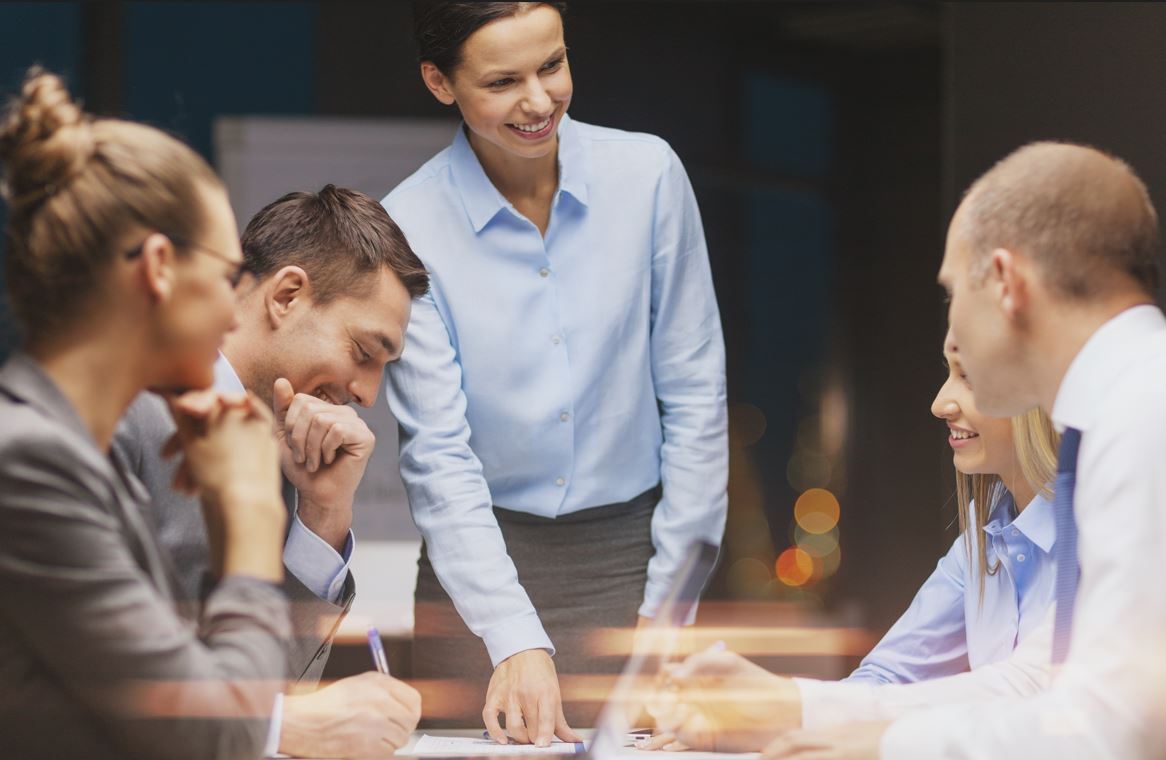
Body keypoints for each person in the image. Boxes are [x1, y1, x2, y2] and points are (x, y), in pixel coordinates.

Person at [664, 142, 1166, 759]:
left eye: (955, 292)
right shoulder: (1128, 406)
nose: (953, 335)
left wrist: (872, 739)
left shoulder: (1143, 412)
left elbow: (1112, 723)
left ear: (1006, 282)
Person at [383, 0, 728, 744]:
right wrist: (510, 634)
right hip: (476, 576)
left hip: (635, 561)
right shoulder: (407, 225)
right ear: (440, 83)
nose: (539, 101)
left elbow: (697, 399)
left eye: (553, 65)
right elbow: (438, 453)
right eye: (503, 81)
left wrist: (666, 618)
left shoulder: (648, 177)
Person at [0, 68, 288, 759]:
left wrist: (227, 520)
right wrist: (252, 511)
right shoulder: (27, 464)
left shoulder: (81, 460)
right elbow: (212, 737)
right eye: (227, 277)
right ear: (158, 266)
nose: (231, 309)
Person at [114, 185, 428, 758]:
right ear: (285, 296)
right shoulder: (118, 408)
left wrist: (324, 514)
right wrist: (280, 725)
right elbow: (72, 671)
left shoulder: (284, 450)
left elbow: (277, 693)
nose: (367, 393)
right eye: (363, 351)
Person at [642, 331, 1060, 752]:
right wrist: (759, 724)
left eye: (968, 377)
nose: (939, 404)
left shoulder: (1102, 532)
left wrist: (781, 708)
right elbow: (887, 677)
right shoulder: (982, 540)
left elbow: (1031, 690)